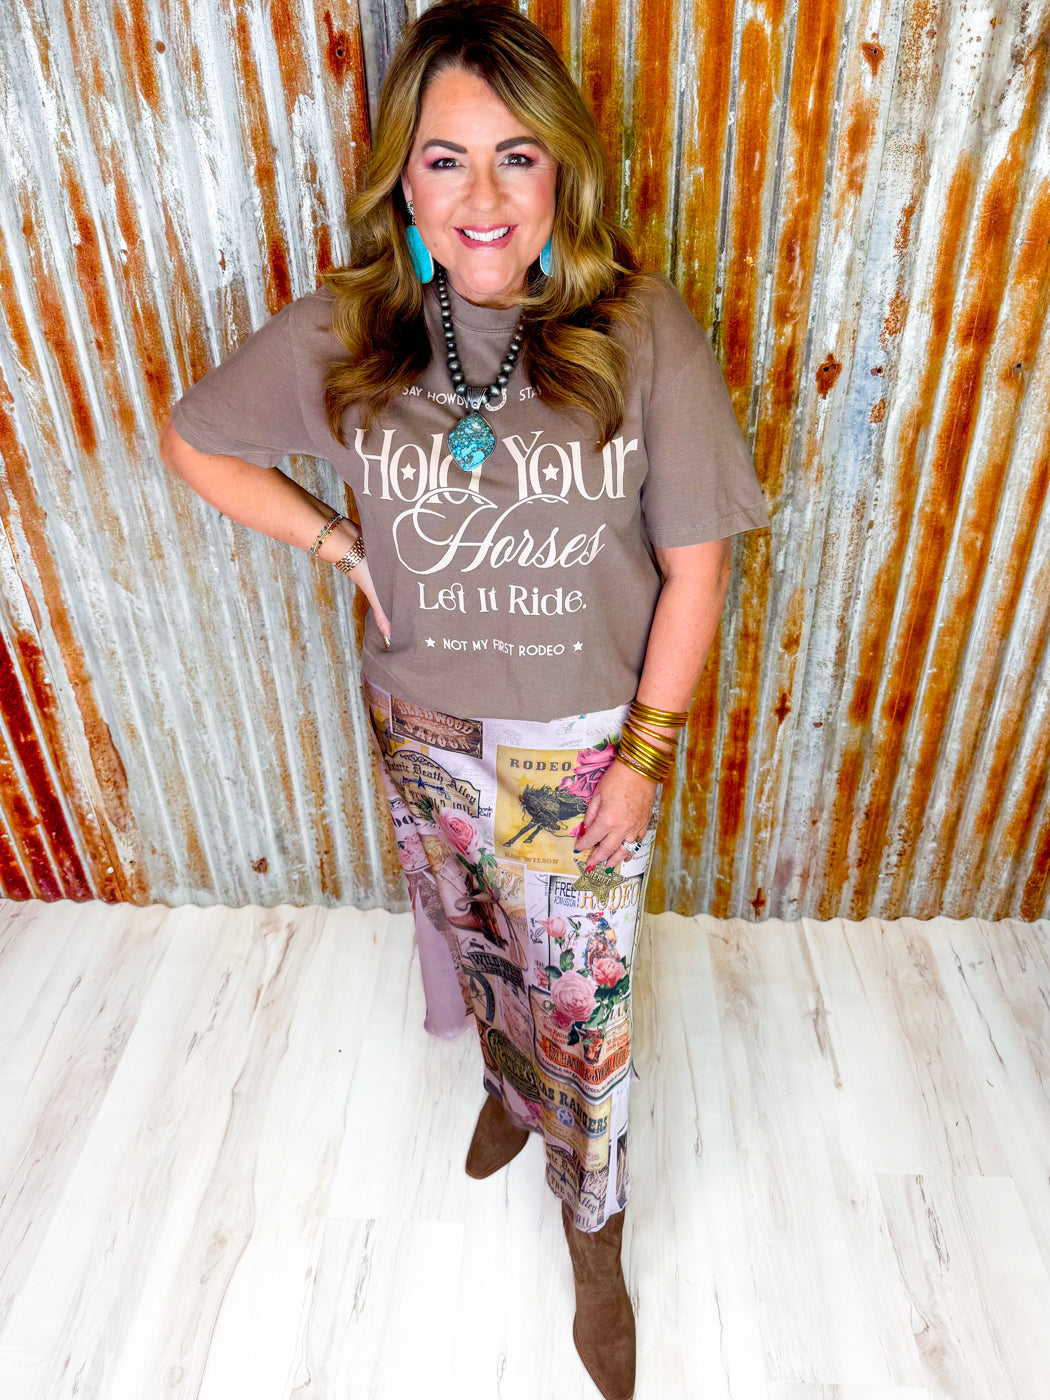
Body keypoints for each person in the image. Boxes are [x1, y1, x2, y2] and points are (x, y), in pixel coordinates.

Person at [159, 3, 768, 1396]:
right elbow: (195, 441)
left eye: (515, 156)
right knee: (476, 937)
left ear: (563, 172)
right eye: (445, 159)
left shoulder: (639, 334)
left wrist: (642, 759)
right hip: (423, 725)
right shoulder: (351, 332)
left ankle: (593, 1225)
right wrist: (335, 540)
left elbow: (696, 572)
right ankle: (505, 1095)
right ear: (403, 177)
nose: (482, 196)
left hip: (577, 750)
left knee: (583, 1008)